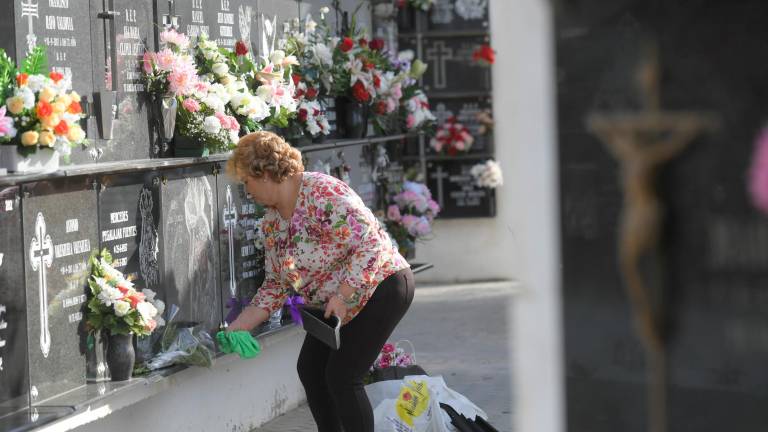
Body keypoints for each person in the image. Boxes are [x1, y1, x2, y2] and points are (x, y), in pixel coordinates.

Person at [226, 131, 414, 432]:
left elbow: (371, 245)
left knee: (342, 377)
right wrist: (238, 327)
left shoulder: (321, 192)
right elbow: (276, 284)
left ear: (264, 172)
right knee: (311, 371)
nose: (247, 191)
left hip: (382, 287)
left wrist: (343, 295)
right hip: (335, 306)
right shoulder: (273, 221)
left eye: (247, 181)